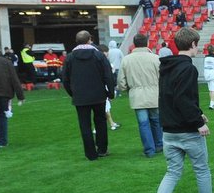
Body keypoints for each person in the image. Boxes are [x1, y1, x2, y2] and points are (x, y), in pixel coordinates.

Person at [148, 27, 214, 193]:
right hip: (187, 131)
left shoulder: (167, 67)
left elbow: (176, 97)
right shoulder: (188, 68)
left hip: (169, 130)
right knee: (202, 170)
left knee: (172, 172)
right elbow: (183, 98)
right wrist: (198, 122)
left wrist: (198, 112)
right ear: (193, 45)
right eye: (198, 44)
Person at [61, 31, 115, 161]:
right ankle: (102, 149)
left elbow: (65, 79)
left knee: (85, 125)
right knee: (101, 122)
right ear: (89, 39)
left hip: (80, 96)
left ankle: (90, 154)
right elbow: (108, 75)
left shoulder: (70, 57)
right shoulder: (98, 55)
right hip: (98, 95)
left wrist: (72, 93)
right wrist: (110, 92)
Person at [117, 33, 163, 157]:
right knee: (156, 121)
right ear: (147, 43)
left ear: (134, 44)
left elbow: (121, 80)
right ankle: (159, 145)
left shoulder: (127, 59)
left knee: (143, 123)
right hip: (154, 93)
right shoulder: (155, 58)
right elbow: (162, 77)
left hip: (137, 95)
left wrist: (126, 89)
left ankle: (149, 150)